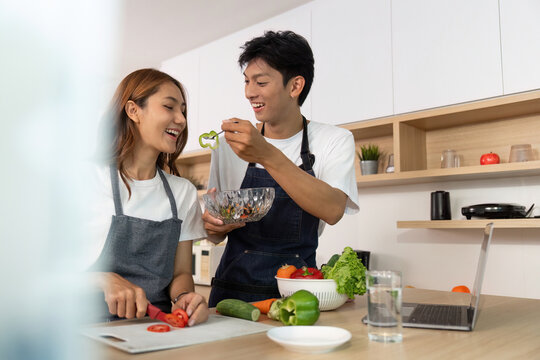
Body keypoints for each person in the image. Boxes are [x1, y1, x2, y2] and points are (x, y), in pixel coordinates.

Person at [203, 31, 360, 307]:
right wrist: (215, 225)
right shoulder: (228, 145)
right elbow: (214, 233)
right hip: (232, 295)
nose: (250, 92)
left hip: (299, 295)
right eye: (247, 81)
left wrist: (265, 153)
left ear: (295, 86)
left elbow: (333, 210)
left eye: (261, 82)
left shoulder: (334, 140)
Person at [87, 69, 209, 326]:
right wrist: (102, 279)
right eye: (169, 107)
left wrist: (185, 296)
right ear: (133, 111)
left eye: (183, 111)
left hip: (156, 326)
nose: (181, 119)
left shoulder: (182, 192)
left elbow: (182, 273)